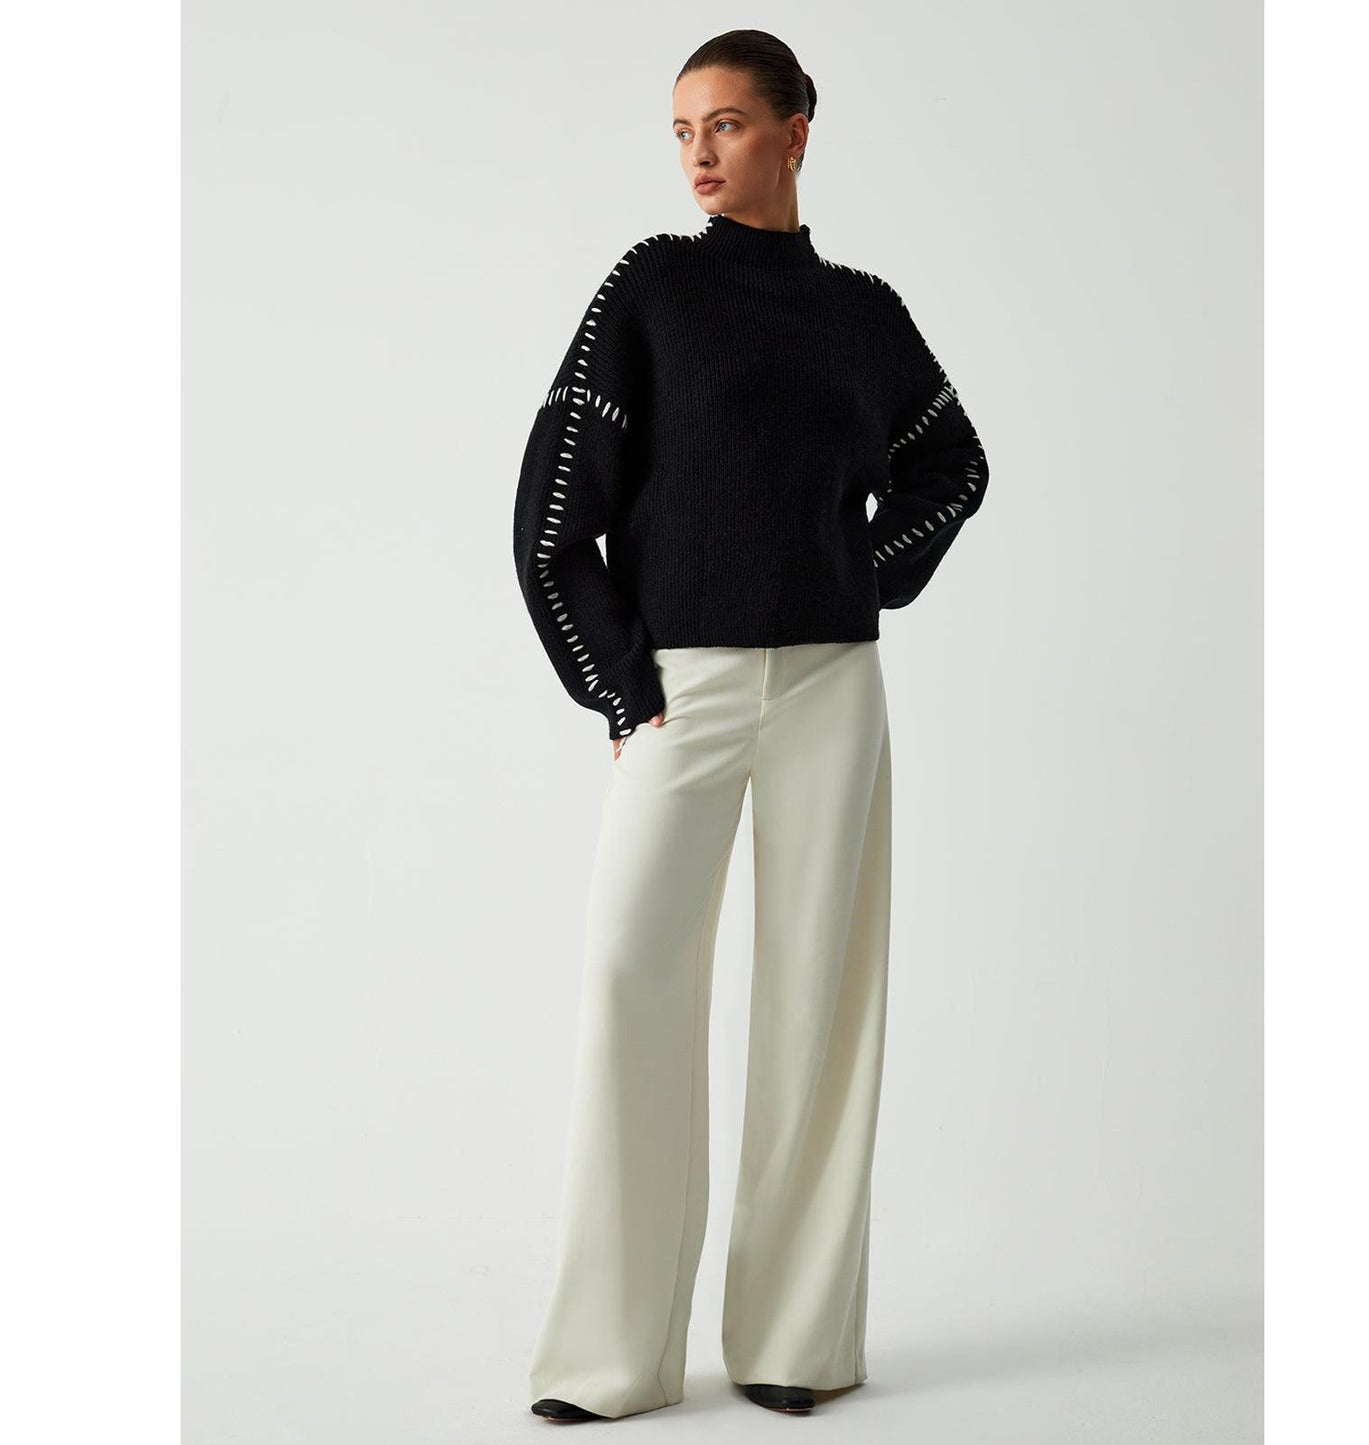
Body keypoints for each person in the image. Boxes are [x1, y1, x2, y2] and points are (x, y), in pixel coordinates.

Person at [512, 28, 990, 1424]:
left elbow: (953, 461)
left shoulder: (861, 311)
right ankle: (611, 1357)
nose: (700, 153)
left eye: (724, 123)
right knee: (631, 976)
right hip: (686, 685)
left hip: (834, 687)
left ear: (794, 129)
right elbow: (557, 506)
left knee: (819, 1002)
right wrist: (618, 680)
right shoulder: (653, 287)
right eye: (682, 131)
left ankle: (795, 1341)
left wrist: (858, 571)